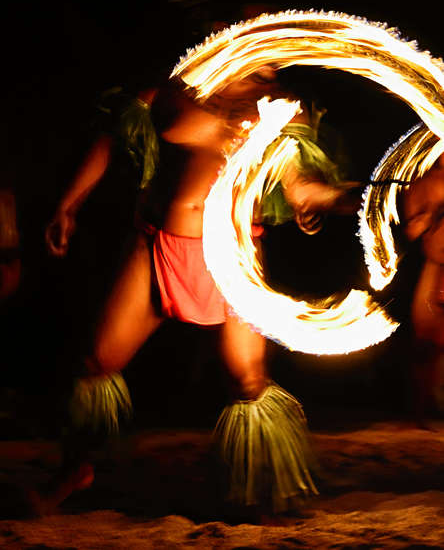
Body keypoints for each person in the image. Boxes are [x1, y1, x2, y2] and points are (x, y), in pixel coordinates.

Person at [35, 68, 359, 516]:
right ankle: (75, 469)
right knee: (97, 360)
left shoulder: (282, 107)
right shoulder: (170, 91)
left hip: (233, 256)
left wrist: (333, 197)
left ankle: (265, 491)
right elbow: (110, 140)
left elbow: (299, 183)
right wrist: (68, 204)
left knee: (247, 381)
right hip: (157, 247)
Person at [402, 154, 444, 423]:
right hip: (435, 266)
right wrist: (431, 215)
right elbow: (411, 231)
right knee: (427, 339)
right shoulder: (422, 183)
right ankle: (422, 404)